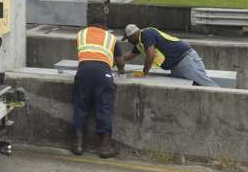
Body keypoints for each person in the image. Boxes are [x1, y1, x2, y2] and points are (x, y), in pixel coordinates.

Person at [73, 24, 125, 158]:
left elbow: (83, 54)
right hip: (103, 74)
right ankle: (105, 148)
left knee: (80, 106)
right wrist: (121, 70)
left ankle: (78, 145)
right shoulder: (110, 37)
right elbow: (120, 62)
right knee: (104, 107)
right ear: (104, 26)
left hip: (83, 72)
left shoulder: (81, 34)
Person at [122, 24, 219, 87]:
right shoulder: (139, 43)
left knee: (207, 86)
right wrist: (116, 60)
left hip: (186, 61)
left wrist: (145, 71)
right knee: (195, 88)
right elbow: (130, 55)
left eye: (128, 39)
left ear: (134, 35)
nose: (128, 41)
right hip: (176, 67)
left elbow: (151, 55)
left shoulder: (147, 34)